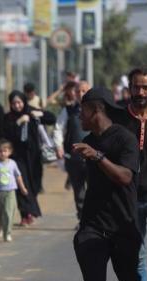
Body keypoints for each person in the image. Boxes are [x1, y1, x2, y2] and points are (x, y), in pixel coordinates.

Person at [72, 86, 146, 281]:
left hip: (123, 225)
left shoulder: (124, 139)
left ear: (96, 109)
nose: (79, 115)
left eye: (82, 109)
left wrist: (98, 157)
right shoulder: (89, 140)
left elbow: (126, 177)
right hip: (93, 225)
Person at [114, 67, 147, 281]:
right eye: (136, 87)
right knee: (136, 258)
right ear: (129, 88)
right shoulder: (119, 119)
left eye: (145, 87)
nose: (140, 92)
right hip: (130, 200)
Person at [2, 90, 56, 225]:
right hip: (17, 157)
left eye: (19, 102)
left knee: (35, 184)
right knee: (22, 185)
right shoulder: (9, 118)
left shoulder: (31, 111)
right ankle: (25, 214)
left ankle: (29, 211)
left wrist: (40, 113)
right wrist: (19, 122)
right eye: (14, 103)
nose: (17, 106)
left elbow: (51, 119)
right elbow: (5, 133)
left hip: (33, 156)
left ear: (23, 102)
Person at [52, 81, 90, 222]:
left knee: (95, 190)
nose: (81, 94)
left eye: (84, 91)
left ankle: (95, 220)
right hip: (74, 158)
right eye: (78, 91)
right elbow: (58, 129)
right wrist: (59, 146)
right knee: (79, 192)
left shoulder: (98, 109)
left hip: (94, 159)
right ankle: (82, 219)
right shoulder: (68, 111)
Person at [0, 139, 28, 242]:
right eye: (0, 151)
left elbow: (18, 176)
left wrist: (22, 188)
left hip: (10, 192)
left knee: (8, 213)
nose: (2, 153)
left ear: (10, 152)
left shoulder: (12, 163)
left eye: (5, 151)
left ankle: (7, 234)